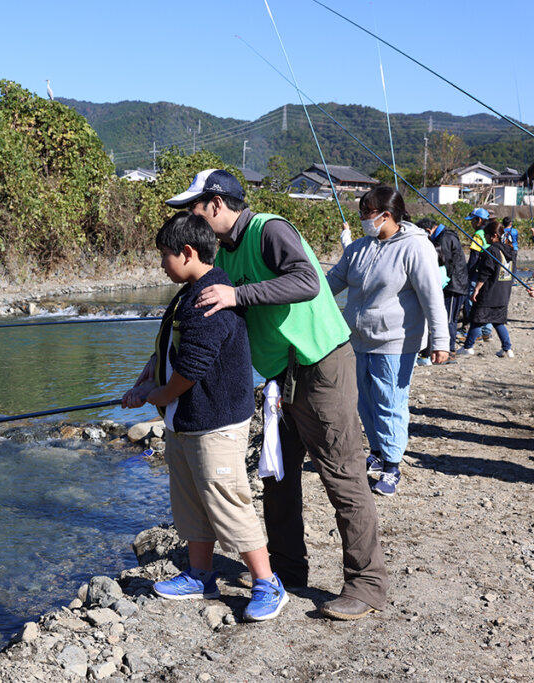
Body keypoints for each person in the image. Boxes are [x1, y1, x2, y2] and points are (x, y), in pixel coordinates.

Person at [165, 168, 388, 621]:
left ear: (216, 204)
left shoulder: (269, 229)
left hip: (320, 365)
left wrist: (237, 295)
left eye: (194, 208)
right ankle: (287, 570)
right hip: (278, 378)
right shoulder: (225, 254)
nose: (191, 218)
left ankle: (366, 584)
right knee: (277, 476)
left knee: (341, 473)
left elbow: (307, 281)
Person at [122, 211, 287, 623]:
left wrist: (155, 395)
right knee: (191, 501)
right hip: (187, 421)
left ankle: (267, 583)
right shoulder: (188, 293)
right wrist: (147, 377)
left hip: (216, 422)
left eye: (165, 255)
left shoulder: (209, 297)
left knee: (228, 501)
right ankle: (201, 576)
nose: (162, 264)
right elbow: (172, 347)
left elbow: (192, 368)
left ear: (188, 252)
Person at [326, 188, 449, 497]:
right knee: (365, 401)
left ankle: (392, 464)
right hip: (358, 339)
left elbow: (432, 296)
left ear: (387, 215)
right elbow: (330, 283)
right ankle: (379, 453)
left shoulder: (416, 247)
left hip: (396, 340)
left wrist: (440, 339)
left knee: (390, 401)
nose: (362, 219)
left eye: (367, 213)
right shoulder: (358, 248)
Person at [458, 220, 516, 358]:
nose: (485, 238)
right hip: (503, 292)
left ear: (494, 236)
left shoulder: (492, 251)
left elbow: (485, 273)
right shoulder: (510, 251)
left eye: (486, 235)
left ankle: (468, 347)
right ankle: (507, 349)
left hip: (489, 292)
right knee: (498, 321)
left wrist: (477, 289)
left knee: (477, 319)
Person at [417, 219, 467, 358]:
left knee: (448, 319)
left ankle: (449, 350)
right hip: (456, 283)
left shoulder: (445, 238)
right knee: (450, 318)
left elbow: (445, 264)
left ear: (428, 231)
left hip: (454, 286)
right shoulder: (447, 235)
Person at [463, 207, 492, 342]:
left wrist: (467, 274)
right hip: (489, 272)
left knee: (472, 301)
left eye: (472, 220)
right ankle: (486, 331)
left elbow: (474, 257)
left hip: (478, 273)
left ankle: (476, 332)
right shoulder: (491, 232)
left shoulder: (478, 235)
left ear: (479, 220)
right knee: (485, 301)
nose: (471, 223)